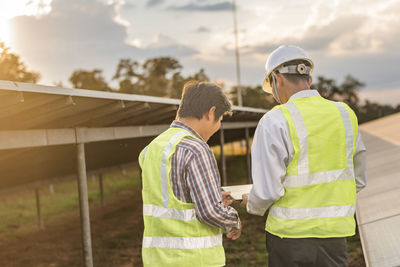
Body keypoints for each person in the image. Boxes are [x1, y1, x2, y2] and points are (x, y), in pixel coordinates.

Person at [241, 45, 367, 267]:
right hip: (335, 237)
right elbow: (358, 179)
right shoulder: (345, 114)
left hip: (289, 239)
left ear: (277, 79)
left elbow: (267, 191)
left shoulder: (275, 120)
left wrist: (251, 204)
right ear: (308, 78)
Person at [139, 81, 241, 267]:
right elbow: (209, 212)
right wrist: (234, 219)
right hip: (194, 260)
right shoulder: (196, 148)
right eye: (219, 119)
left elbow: (171, 201)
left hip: (156, 260)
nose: (217, 126)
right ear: (211, 112)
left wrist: (213, 197)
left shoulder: (151, 149)